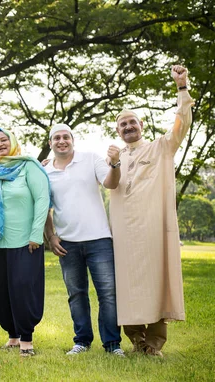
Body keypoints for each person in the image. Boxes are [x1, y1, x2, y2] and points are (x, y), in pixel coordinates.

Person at [110, 65, 191, 357]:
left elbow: (182, 123)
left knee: (156, 280)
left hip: (153, 230)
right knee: (127, 284)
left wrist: (182, 87)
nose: (129, 127)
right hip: (122, 233)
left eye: (133, 122)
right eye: (123, 125)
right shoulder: (114, 156)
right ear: (117, 130)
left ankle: (154, 343)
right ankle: (136, 339)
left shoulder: (161, 147)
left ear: (141, 125)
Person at [42, 123, 124, 356]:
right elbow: (44, 208)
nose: (61, 141)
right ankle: (82, 341)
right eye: (56, 138)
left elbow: (111, 183)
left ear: (72, 140)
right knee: (76, 294)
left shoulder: (90, 158)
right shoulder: (45, 172)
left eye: (65, 137)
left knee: (107, 293)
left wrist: (116, 163)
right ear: (50, 143)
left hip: (99, 239)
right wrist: (51, 236)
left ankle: (112, 344)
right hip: (67, 242)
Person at [0, 127, 50, 357]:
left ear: (13, 142)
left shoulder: (29, 165)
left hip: (25, 241)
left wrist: (36, 233)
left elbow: (42, 199)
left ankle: (27, 340)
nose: (0, 144)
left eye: (4, 140)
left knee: (23, 289)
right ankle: (12, 336)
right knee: (0, 293)